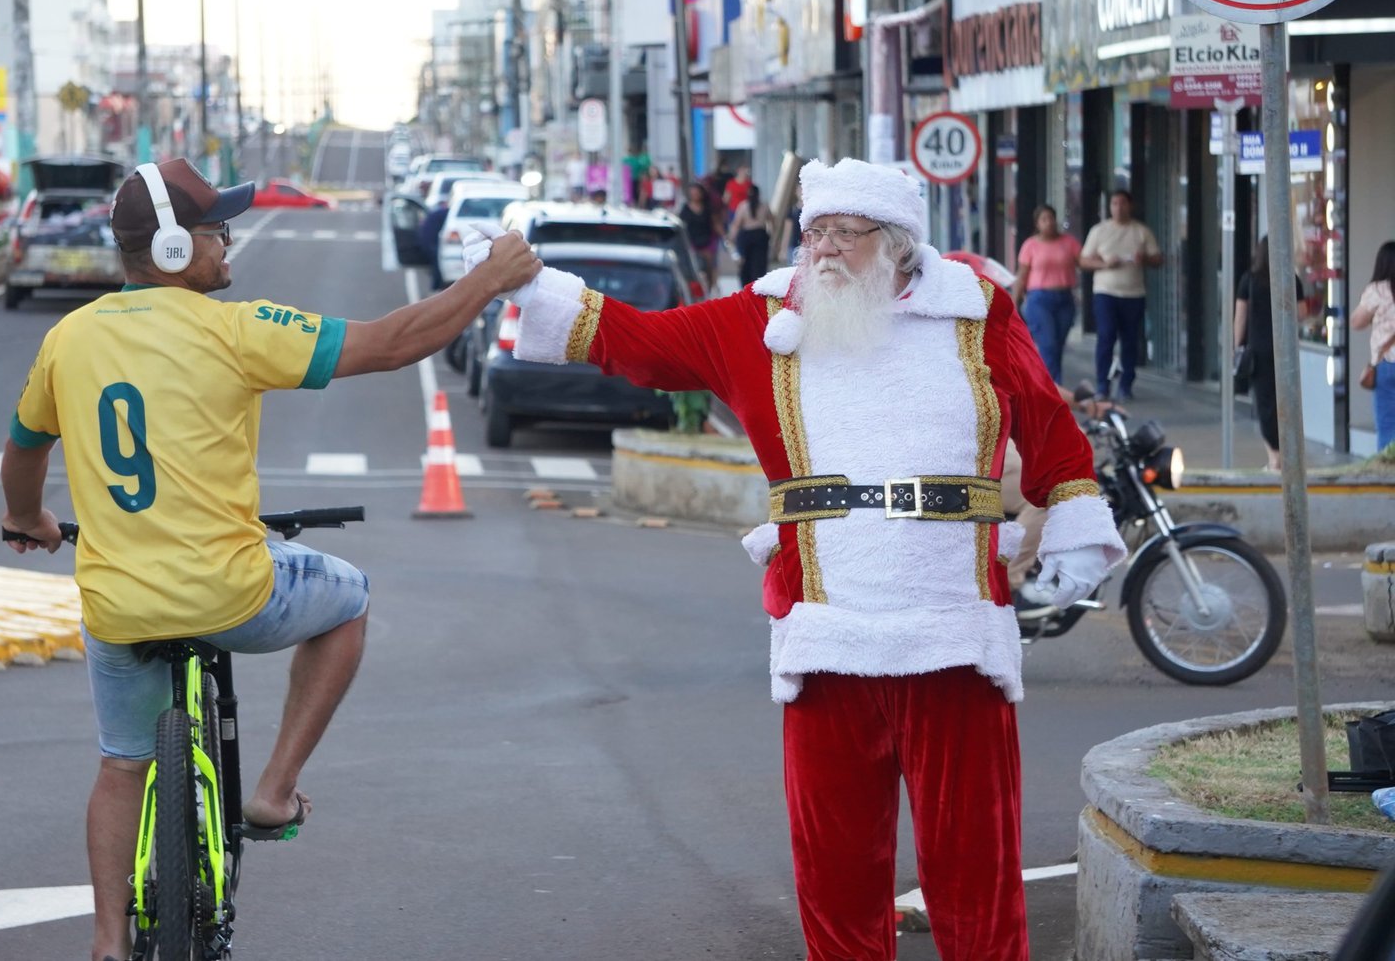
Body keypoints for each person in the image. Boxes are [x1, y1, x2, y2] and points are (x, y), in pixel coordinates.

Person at [466, 158, 1125, 960]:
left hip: (956, 640)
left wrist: (1075, 526)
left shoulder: (975, 310)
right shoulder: (761, 319)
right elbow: (639, 341)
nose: (824, 249)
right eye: (814, 232)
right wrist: (529, 284)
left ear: (897, 242)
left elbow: (1048, 422)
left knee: (977, 882)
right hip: (826, 644)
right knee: (837, 883)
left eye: (845, 233)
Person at [0, 158, 540, 961]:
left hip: (117, 608)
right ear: (176, 248)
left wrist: (28, 518)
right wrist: (488, 280)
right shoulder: (236, 330)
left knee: (122, 764)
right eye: (217, 229)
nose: (228, 242)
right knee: (350, 598)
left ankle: (109, 942)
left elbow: (23, 450)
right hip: (233, 595)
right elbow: (393, 343)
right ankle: (274, 790)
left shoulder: (66, 340)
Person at [1079, 189, 1162, 400]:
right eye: (1114, 203)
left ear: (1130, 206)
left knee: (1130, 340)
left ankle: (1126, 384)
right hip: (1105, 292)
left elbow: (1158, 259)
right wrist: (1105, 264)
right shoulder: (1099, 231)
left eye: (1123, 203)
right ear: (1109, 207)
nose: (1118, 207)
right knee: (1106, 336)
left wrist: (1144, 259)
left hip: (1133, 293)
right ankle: (1102, 385)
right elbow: (1084, 260)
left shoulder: (1141, 231)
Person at [1235, 236, 1308, 471]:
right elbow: (1302, 313)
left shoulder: (1249, 280)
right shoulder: (1290, 279)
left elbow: (1240, 318)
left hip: (1259, 350)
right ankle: (1283, 455)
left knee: (1265, 405)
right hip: (1285, 351)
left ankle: (1274, 457)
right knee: (1285, 402)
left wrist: (1237, 348)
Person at [1012, 204, 1083, 384]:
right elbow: (1022, 275)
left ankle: (1050, 386)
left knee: (1057, 346)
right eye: (1044, 219)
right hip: (1039, 300)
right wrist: (1014, 303)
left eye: (1051, 218)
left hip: (1065, 298)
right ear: (1037, 223)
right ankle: (1052, 388)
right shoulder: (1030, 245)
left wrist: (1106, 262)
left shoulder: (1069, 242)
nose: (1049, 222)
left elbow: (1084, 261)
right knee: (1048, 344)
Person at [1351, 240, 1395, 451]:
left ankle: (1388, 470)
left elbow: (1356, 322)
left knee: (1387, 427)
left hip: (1386, 364)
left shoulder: (1377, 290)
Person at [725, 180, 774, 288]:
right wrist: (770, 234)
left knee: (745, 264)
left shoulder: (743, 206)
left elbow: (737, 224)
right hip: (760, 236)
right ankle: (759, 287)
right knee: (760, 264)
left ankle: (746, 287)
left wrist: (731, 237)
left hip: (746, 236)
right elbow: (771, 221)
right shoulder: (764, 206)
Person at [677, 181, 723, 293]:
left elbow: (715, 223)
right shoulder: (685, 209)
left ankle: (710, 287)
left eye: (697, 192)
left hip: (707, 241)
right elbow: (680, 224)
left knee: (709, 266)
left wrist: (725, 236)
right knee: (694, 267)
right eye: (692, 193)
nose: (695, 195)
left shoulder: (707, 208)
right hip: (691, 242)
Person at [418, 195, 450, 290]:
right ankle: (436, 286)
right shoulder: (445, 213)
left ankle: (436, 287)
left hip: (428, 242)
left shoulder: (435, 213)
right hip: (432, 243)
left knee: (435, 266)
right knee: (437, 267)